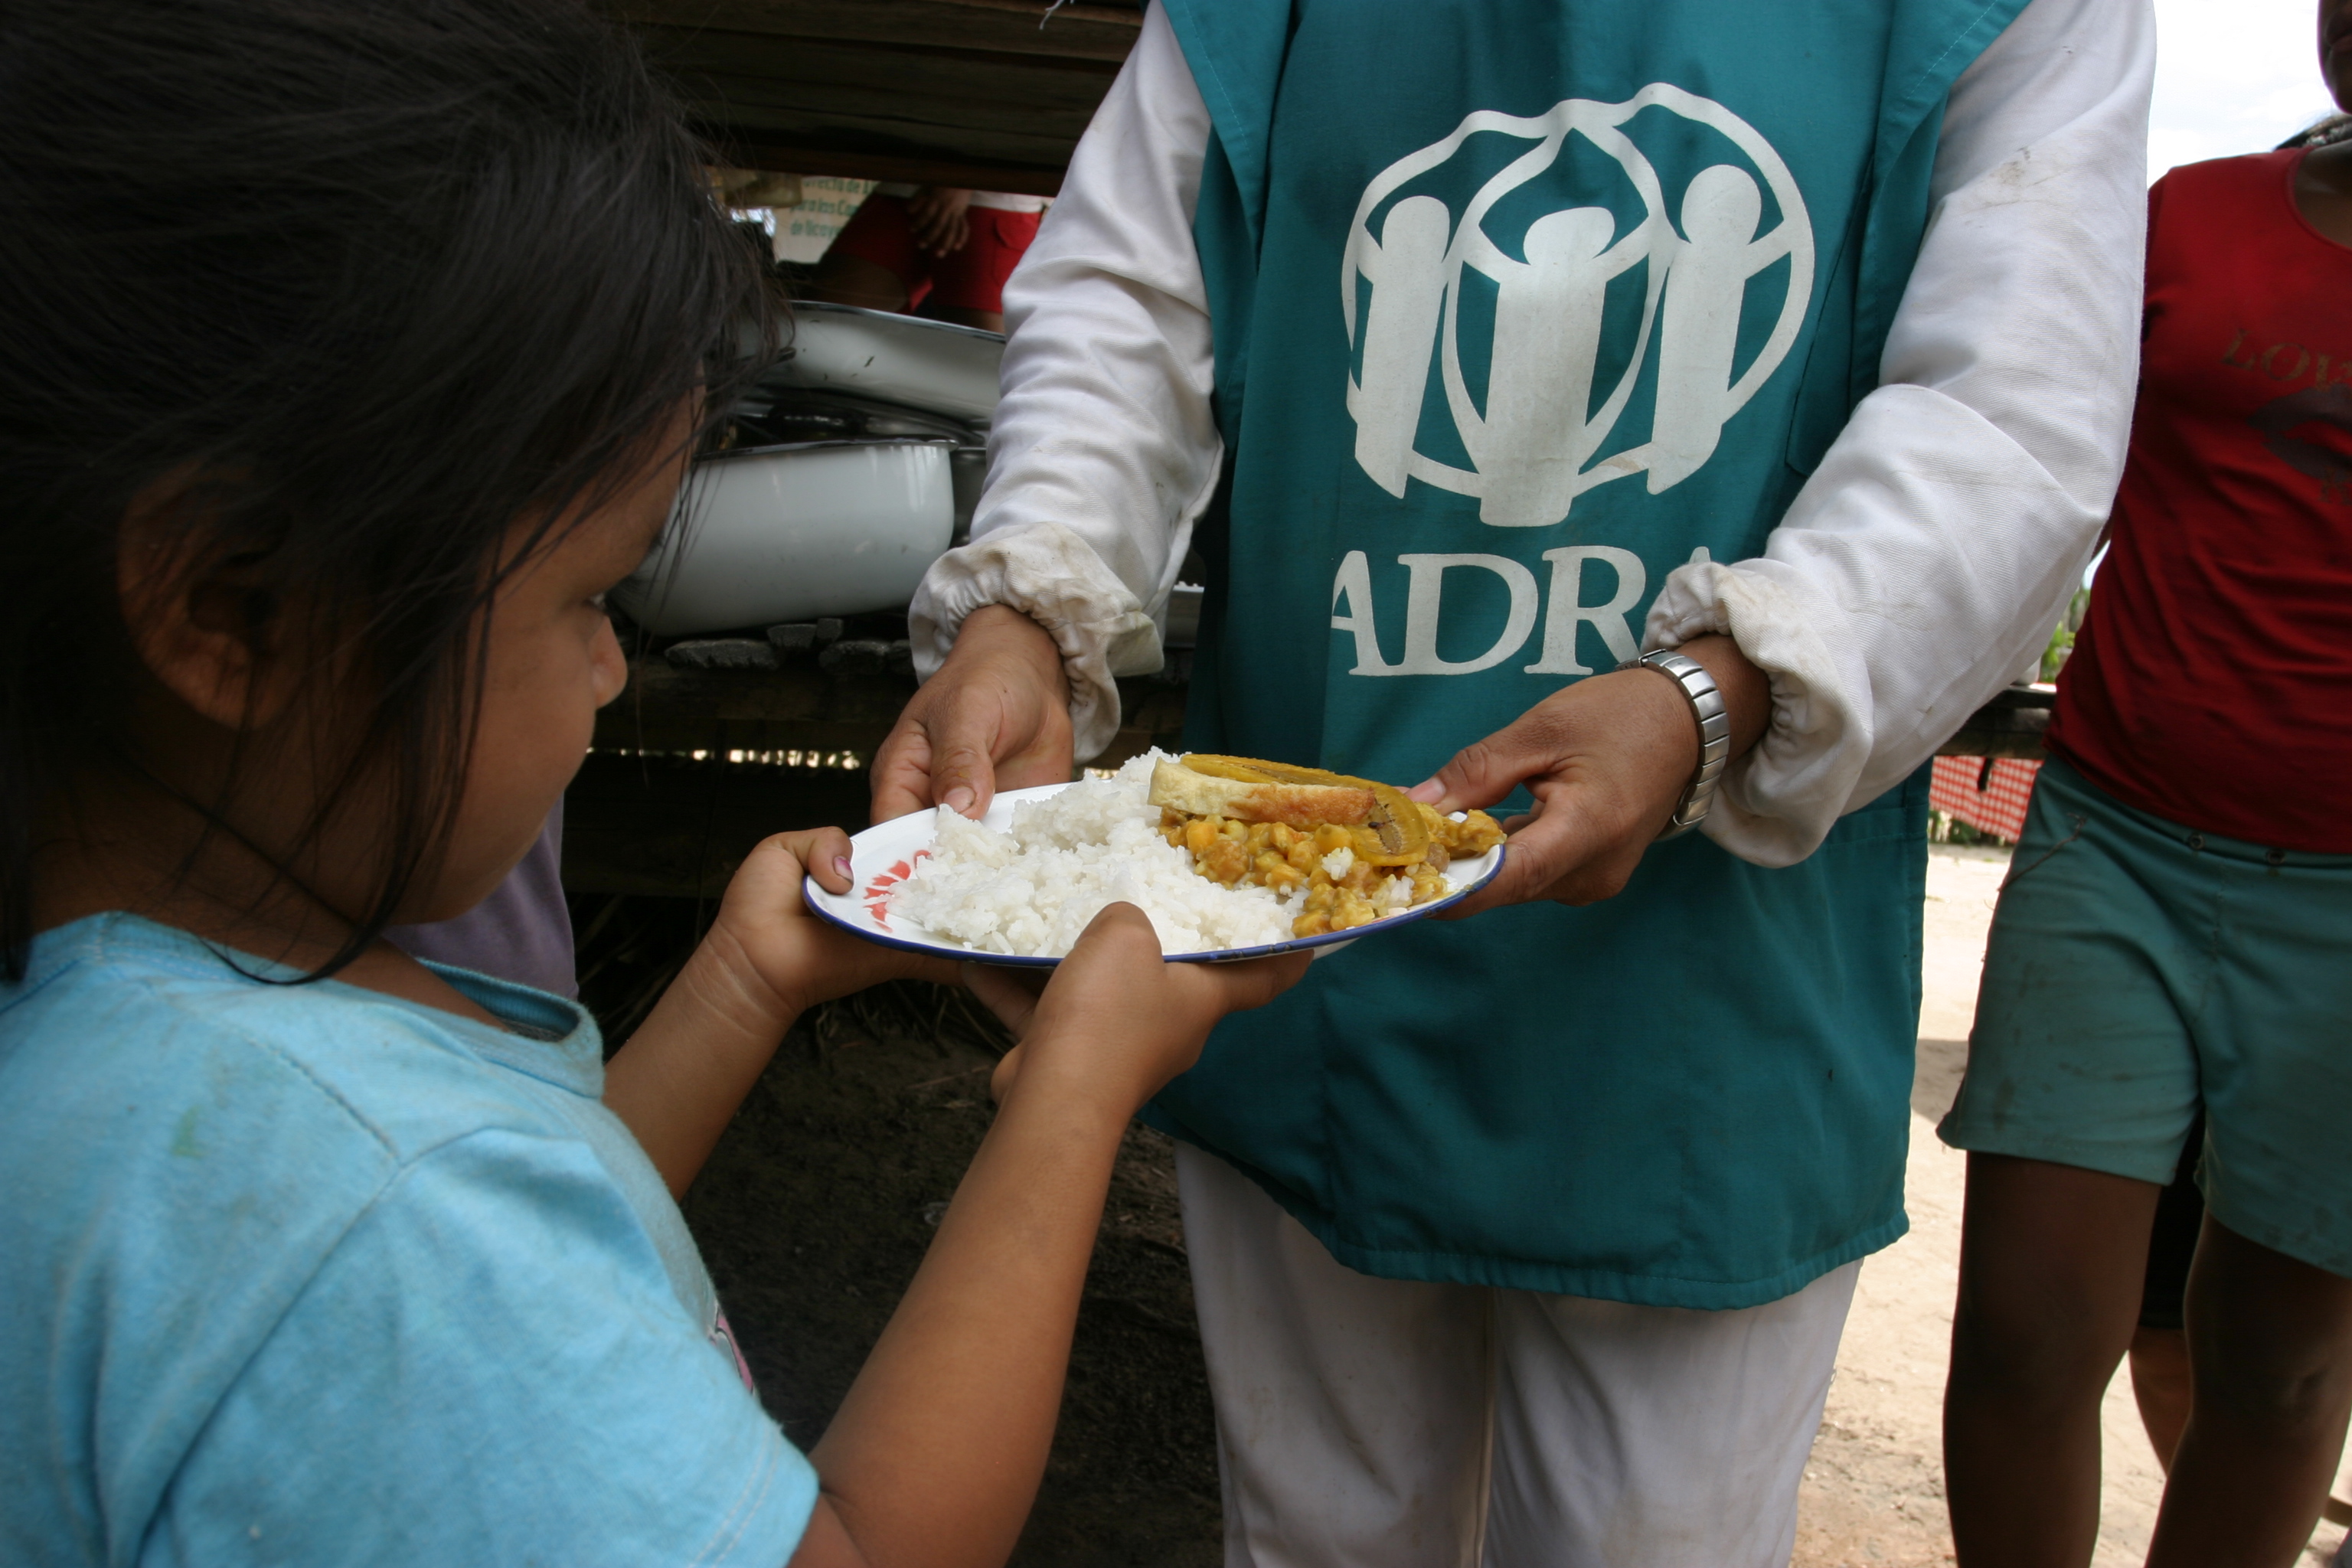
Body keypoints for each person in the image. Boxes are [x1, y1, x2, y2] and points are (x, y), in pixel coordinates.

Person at [0, 5, 1304, 1565]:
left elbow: (529, 1216)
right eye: (584, 603)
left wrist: (743, 981)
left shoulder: (150, 1054)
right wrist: (1080, 1096)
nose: (615, 669)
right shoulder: (366, 1207)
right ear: (232, 608)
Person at [873, 0, 2154, 1560]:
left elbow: (2016, 410)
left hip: (1703, 992)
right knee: (1316, 1530)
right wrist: (1027, 605)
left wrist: (1715, 693)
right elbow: (1129, 302)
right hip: (1288, 936)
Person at [1939, 2, 2352, 1560]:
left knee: (2277, 1358)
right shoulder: (2193, 219)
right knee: (2027, 1334)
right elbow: (2039, 462)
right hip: (2118, 842)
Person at [806, 185, 1047, 333]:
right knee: (824, 326)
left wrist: (961, 176)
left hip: (996, 198)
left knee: (981, 357)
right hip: (905, 183)